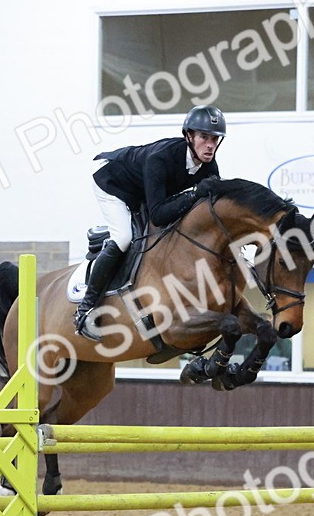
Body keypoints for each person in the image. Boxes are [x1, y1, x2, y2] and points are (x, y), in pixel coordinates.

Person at [74, 104, 226, 340]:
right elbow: (158, 214)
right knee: (124, 238)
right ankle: (85, 310)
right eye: (204, 137)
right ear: (189, 136)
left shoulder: (209, 166)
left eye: (215, 139)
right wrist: (195, 193)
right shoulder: (161, 159)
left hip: (143, 193)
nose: (210, 145)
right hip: (112, 183)